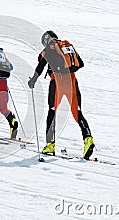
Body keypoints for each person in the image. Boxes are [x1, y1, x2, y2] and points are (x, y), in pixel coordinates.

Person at [28, 31, 95, 159]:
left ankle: (50, 145)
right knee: (77, 112)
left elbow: (40, 66)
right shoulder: (67, 46)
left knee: (52, 111)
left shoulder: (48, 49)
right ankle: (88, 139)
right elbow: (80, 63)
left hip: (57, 83)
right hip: (72, 82)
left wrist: (33, 81)